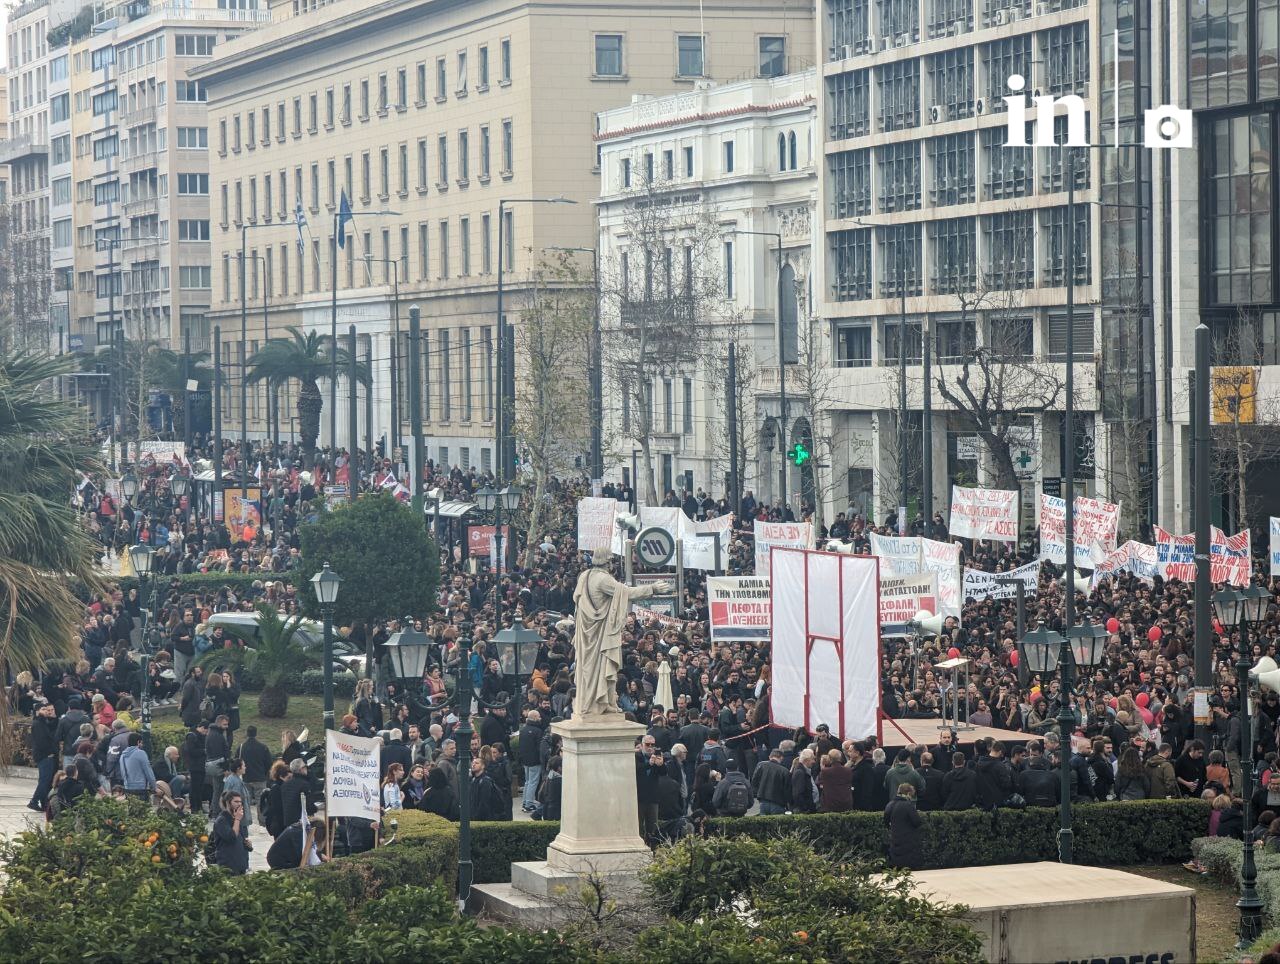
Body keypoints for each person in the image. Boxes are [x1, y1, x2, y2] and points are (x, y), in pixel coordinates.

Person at [210, 790, 252, 875]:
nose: (239, 804)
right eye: (236, 801)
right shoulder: (222, 820)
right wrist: (237, 819)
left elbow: (240, 838)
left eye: (240, 802)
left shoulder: (236, 818)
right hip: (229, 865)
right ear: (228, 803)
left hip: (241, 864)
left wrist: (247, 844)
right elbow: (232, 837)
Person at [27, 701, 59, 812]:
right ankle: (34, 801)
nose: (46, 711)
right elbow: (42, 742)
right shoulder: (38, 724)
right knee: (44, 781)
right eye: (43, 710)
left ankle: (42, 802)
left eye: (46, 709)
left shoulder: (43, 722)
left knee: (45, 780)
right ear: (37, 711)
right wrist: (49, 752)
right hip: (44, 756)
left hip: (46, 756)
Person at [884, 783, 924, 869]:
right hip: (908, 842)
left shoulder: (890, 804)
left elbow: (886, 822)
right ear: (908, 793)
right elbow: (917, 822)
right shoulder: (908, 805)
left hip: (894, 839)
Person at [239, 725, 272, 815]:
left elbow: (237, 761)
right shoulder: (263, 747)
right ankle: (262, 821)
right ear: (256, 733)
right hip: (260, 777)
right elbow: (269, 763)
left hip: (246, 778)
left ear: (247, 733)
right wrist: (264, 773)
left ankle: (245, 820)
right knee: (261, 801)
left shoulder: (242, 747)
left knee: (246, 801)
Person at [517, 710, 545, 813]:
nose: (540, 718)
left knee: (528, 781)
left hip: (525, 760)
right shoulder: (538, 731)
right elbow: (539, 748)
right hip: (535, 760)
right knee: (533, 782)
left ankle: (525, 802)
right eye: (538, 716)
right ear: (534, 718)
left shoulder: (524, 730)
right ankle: (529, 803)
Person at [750, 748, 791, 815]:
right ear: (781, 758)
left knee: (765, 824)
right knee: (777, 824)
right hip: (778, 803)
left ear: (770, 757)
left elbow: (754, 782)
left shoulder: (761, 765)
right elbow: (787, 790)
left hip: (763, 801)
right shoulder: (785, 771)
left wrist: (758, 793)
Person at [118, 732, 156, 800]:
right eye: (141, 743)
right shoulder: (140, 753)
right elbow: (148, 771)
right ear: (138, 742)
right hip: (141, 789)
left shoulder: (122, 756)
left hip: (128, 788)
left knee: (132, 809)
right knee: (143, 809)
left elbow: (123, 773)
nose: (142, 745)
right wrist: (154, 787)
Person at [790, 748, 819, 814]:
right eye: (812, 759)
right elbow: (797, 794)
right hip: (804, 812)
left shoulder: (803, 771)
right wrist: (805, 808)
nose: (814, 762)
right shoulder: (800, 773)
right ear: (806, 760)